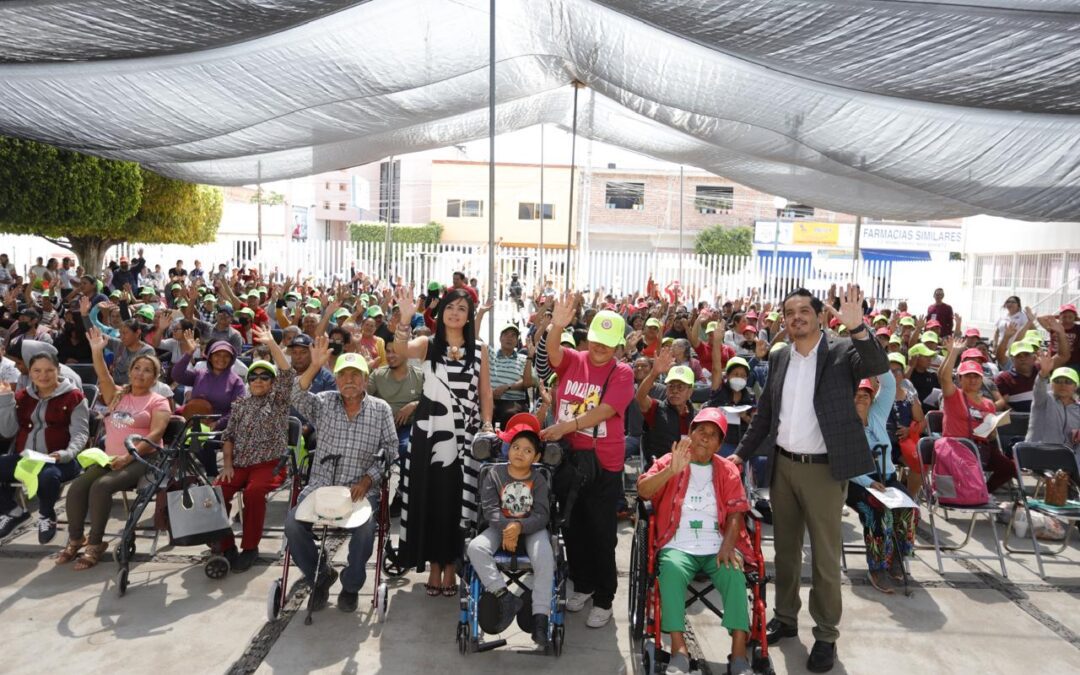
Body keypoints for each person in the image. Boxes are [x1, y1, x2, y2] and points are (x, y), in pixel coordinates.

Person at [733, 285, 888, 673]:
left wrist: (858, 329)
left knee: (823, 557)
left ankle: (826, 636)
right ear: (783, 320)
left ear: (820, 315)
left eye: (804, 310)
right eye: (790, 312)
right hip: (783, 467)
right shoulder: (781, 357)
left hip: (823, 471)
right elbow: (766, 414)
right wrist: (739, 454)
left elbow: (876, 364)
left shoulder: (840, 351)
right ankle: (785, 618)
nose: (797, 316)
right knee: (784, 552)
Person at [537, 297, 635, 629]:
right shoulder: (575, 360)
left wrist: (567, 425)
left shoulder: (622, 373)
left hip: (604, 465)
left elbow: (606, 411)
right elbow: (552, 354)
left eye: (607, 344)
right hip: (569, 459)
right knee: (572, 526)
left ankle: (604, 597)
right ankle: (581, 584)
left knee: (601, 532)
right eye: (595, 340)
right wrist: (558, 325)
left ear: (618, 346)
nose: (599, 348)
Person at [393, 286, 494, 598]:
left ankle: (452, 567)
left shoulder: (479, 349)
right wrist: (404, 320)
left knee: (457, 504)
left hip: (464, 438)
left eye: (462, 308)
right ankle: (434, 568)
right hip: (429, 434)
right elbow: (398, 350)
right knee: (432, 502)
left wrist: (488, 425)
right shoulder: (427, 344)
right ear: (441, 312)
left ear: (468, 316)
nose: (455, 312)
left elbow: (485, 392)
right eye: (451, 306)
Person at [637, 409, 753, 675]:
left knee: (735, 573)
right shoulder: (671, 459)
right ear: (690, 432)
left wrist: (728, 544)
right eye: (701, 430)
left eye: (713, 435)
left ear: (719, 444)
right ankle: (679, 650)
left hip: (717, 544)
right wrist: (669, 471)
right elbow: (643, 490)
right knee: (671, 571)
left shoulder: (727, 470)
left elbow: (736, 512)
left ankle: (738, 655)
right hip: (677, 542)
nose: (705, 438)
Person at [285, 342, 398, 612]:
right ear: (335, 379)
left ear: (365, 380)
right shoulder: (323, 402)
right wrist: (315, 365)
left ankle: (351, 583)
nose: (349, 380)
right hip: (321, 486)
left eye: (355, 375)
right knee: (292, 525)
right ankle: (321, 573)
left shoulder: (381, 409)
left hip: (360, 490)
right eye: (343, 375)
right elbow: (294, 394)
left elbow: (392, 450)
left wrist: (369, 479)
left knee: (366, 529)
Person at [59, 327, 170, 570]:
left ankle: (95, 544)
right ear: (129, 372)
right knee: (77, 487)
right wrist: (96, 351)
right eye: (137, 368)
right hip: (108, 458)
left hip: (141, 459)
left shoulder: (158, 400)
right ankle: (77, 538)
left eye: (147, 370)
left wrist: (128, 456)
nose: (141, 373)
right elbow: (102, 375)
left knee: (102, 486)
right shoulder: (118, 396)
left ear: (155, 377)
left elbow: (156, 433)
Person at [466, 413, 555, 648]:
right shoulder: (494, 474)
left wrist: (519, 527)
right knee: (475, 548)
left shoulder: (539, 478)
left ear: (536, 456)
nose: (520, 453)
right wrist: (508, 528)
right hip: (499, 527)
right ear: (508, 449)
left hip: (531, 528)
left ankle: (540, 618)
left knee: (545, 555)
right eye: (516, 447)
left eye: (527, 450)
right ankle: (504, 597)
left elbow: (541, 514)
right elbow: (490, 508)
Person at [215, 326, 295, 572]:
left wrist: (272, 344)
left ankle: (250, 547)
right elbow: (228, 436)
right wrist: (227, 464)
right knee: (216, 491)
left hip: (270, 465)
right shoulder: (240, 405)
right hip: (239, 464)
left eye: (264, 377)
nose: (258, 380)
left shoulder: (278, 401)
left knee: (253, 493)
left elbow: (287, 372)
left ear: (272, 383)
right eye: (253, 377)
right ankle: (226, 544)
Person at [0, 351, 89, 542]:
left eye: (49, 370)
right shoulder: (23, 396)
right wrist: (6, 400)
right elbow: (8, 432)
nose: (43, 375)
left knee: (47, 476)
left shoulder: (74, 397)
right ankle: (14, 511)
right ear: (30, 373)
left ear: (58, 370)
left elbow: (80, 434)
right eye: (37, 371)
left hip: (61, 460)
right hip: (28, 458)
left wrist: (66, 453)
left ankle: (47, 515)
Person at [848, 375, 918, 594]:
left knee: (910, 510)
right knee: (875, 513)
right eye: (857, 395)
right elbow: (844, 463)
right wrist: (869, 482)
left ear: (872, 397)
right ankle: (877, 567)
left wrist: (873, 362)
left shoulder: (878, 414)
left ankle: (896, 557)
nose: (861, 398)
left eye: (866, 394)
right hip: (859, 483)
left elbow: (888, 383)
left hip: (887, 480)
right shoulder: (844, 424)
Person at [938, 338, 1014, 494]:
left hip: (982, 447)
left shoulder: (988, 404)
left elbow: (990, 433)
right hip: (959, 448)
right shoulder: (954, 395)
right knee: (972, 464)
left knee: (1010, 467)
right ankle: (975, 492)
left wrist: (991, 430)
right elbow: (944, 377)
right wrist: (953, 352)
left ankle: (984, 492)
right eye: (968, 376)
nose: (973, 380)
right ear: (960, 379)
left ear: (982, 379)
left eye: (976, 376)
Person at [367, 342, 424, 513]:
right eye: (388, 352)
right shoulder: (377, 375)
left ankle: (401, 492)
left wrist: (414, 404)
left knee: (409, 448)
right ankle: (370, 494)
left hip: (407, 427)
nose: (390, 356)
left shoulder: (420, 376)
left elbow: (432, 400)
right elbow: (361, 397)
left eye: (395, 352)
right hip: (380, 427)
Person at [634, 348, 695, 467]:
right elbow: (640, 398)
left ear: (690, 391)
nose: (675, 391)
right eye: (671, 386)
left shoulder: (697, 417)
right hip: (659, 470)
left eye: (680, 387)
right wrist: (654, 373)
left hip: (687, 470)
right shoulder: (656, 409)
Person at [1025, 353, 1080, 464]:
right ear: (1051, 384)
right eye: (1058, 381)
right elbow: (1039, 388)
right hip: (1040, 453)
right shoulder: (1044, 399)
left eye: (1068, 382)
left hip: (1070, 456)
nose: (1062, 385)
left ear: (1076, 386)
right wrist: (1043, 373)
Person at [707, 356, 756, 457]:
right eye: (736, 374)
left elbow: (756, 423)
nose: (739, 378)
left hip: (741, 445)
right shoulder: (719, 391)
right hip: (719, 442)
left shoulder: (750, 396)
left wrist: (745, 417)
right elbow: (716, 369)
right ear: (728, 375)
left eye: (743, 375)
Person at [489, 323, 530, 428]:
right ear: (500, 338)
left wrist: (507, 387)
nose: (509, 338)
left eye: (513, 336)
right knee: (486, 411)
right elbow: (475, 338)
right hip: (492, 399)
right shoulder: (491, 355)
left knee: (510, 414)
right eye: (506, 334)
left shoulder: (523, 359)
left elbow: (526, 382)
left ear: (517, 341)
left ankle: (506, 443)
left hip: (514, 401)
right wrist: (480, 314)